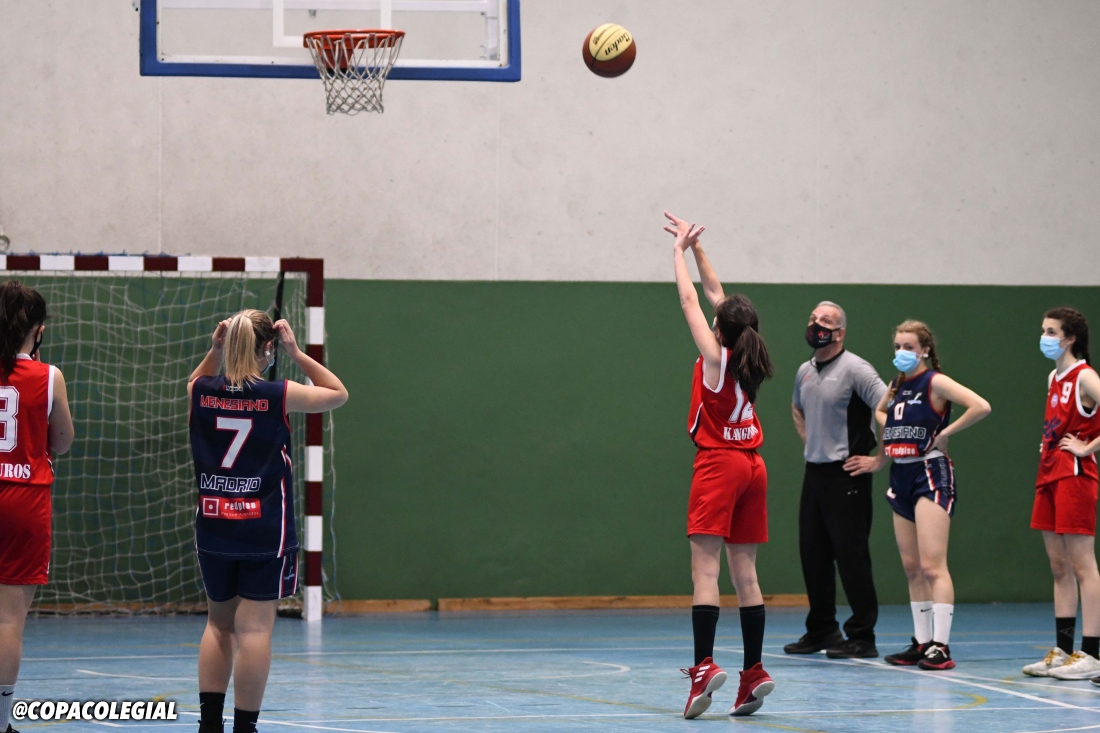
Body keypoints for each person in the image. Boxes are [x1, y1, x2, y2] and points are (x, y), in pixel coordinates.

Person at [189, 310, 347, 733]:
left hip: (214, 524)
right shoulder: (278, 394)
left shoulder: (201, 391)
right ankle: (245, 727)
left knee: (217, 624)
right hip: (264, 529)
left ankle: (209, 725)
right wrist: (296, 353)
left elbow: (196, 380)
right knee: (255, 631)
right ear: (268, 348)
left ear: (227, 343)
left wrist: (215, 351)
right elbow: (338, 392)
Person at [664, 212, 775, 719]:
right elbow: (715, 295)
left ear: (720, 328)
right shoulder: (750, 352)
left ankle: (704, 667)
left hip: (719, 465)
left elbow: (692, 299)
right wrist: (697, 248)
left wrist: (676, 253)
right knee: (745, 575)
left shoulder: (716, 358)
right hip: (753, 466)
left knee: (705, 571)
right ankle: (754, 671)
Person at [856, 320, 990, 670]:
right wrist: (890, 435)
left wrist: (946, 432)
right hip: (900, 472)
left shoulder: (935, 381)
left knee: (932, 566)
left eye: (909, 347)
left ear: (925, 350)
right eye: (897, 346)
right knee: (912, 567)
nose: (902, 352)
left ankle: (941, 646)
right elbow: (881, 411)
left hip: (929, 471)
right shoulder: (897, 384)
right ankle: (922, 641)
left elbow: (980, 405)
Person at [786, 302, 887, 659]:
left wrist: (879, 459)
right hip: (815, 473)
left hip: (848, 474)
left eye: (826, 321)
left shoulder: (856, 369)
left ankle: (862, 635)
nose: (817, 324)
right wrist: (811, 442)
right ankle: (822, 630)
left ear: (840, 332)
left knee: (851, 555)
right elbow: (797, 408)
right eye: (813, 318)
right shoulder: (804, 371)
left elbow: (889, 407)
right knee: (813, 554)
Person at [0, 281, 74, 733]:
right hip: (23, 499)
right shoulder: (49, 377)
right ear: (38, 330)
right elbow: (62, 442)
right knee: (8, 620)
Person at [1023, 308, 1100, 681]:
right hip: (1050, 473)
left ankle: (1092, 653)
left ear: (1070, 338)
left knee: (1084, 565)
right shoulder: (1054, 376)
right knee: (1058, 566)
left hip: (1075, 474)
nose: (1045, 337)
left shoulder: (1085, 376)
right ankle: (1064, 650)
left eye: (1051, 332)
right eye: (1044, 330)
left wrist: (1088, 448)